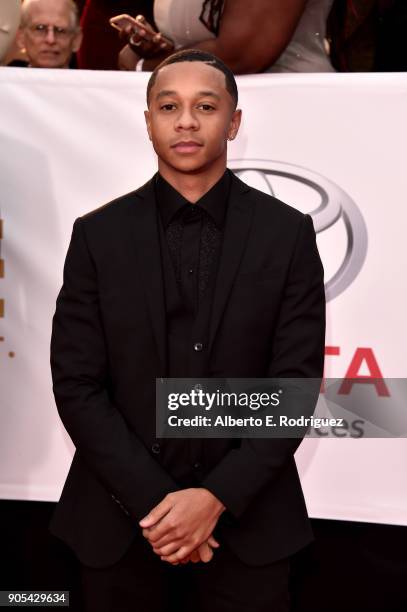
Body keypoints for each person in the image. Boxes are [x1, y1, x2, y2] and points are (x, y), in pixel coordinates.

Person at [49, 49, 325, 611]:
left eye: (206, 106)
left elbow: (295, 386)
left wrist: (216, 497)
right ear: (147, 120)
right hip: (118, 526)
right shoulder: (97, 236)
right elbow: (76, 384)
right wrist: (161, 506)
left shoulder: (287, 234)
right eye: (168, 106)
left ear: (235, 121)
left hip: (250, 531)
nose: (187, 121)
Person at [115, 0, 335, 73]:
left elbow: (240, 56)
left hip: (281, 107)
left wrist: (146, 65)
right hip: (204, 106)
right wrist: (161, 48)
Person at [15, 0, 82, 68]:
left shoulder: (91, 78)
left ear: (76, 40)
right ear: (21, 37)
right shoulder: (6, 78)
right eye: (40, 28)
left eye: (60, 30)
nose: (51, 40)